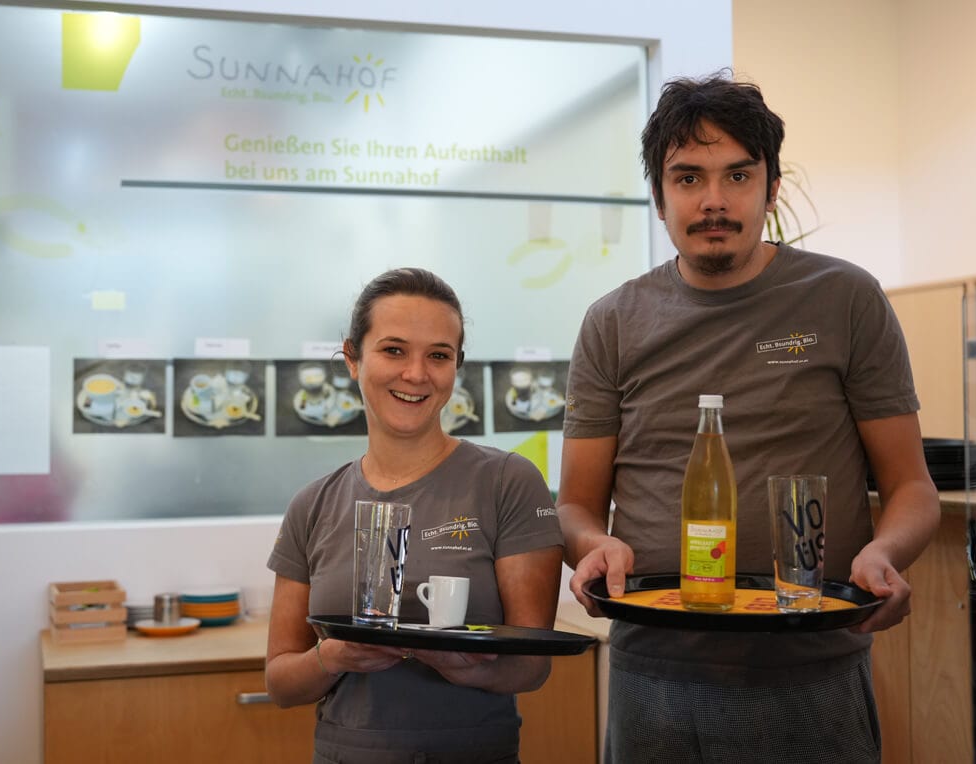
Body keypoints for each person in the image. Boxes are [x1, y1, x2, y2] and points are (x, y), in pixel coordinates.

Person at [557, 71, 941, 763]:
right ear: (658, 197)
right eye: (688, 178)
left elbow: (912, 487)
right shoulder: (612, 322)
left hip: (811, 664)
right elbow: (576, 506)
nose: (714, 200)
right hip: (655, 669)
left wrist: (884, 554)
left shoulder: (845, 298)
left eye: (738, 175)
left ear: (772, 188)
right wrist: (592, 545)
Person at [265, 267, 564, 764]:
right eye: (394, 350)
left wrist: (471, 669)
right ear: (352, 358)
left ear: (456, 367)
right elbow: (280, 683)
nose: (416, 374)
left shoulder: (506, 482)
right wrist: (331, 656)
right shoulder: (313, 504)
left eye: (438, 356)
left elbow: (532, 666)